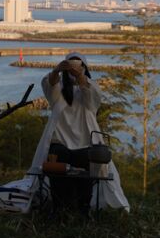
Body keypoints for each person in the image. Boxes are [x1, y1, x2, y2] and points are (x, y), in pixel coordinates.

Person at [33, 52, 129, 212]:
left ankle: (83, 206)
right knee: (59, 160)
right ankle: (61, 206)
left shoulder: (90, 88)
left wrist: (79, 76)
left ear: (84, 68)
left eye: (78, 65)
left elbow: (92, 99)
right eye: (70, 64)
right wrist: (57, 70)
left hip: (86, 144)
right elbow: (49, 86)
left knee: (87, 164)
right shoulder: (59, 90)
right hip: (60, 143)